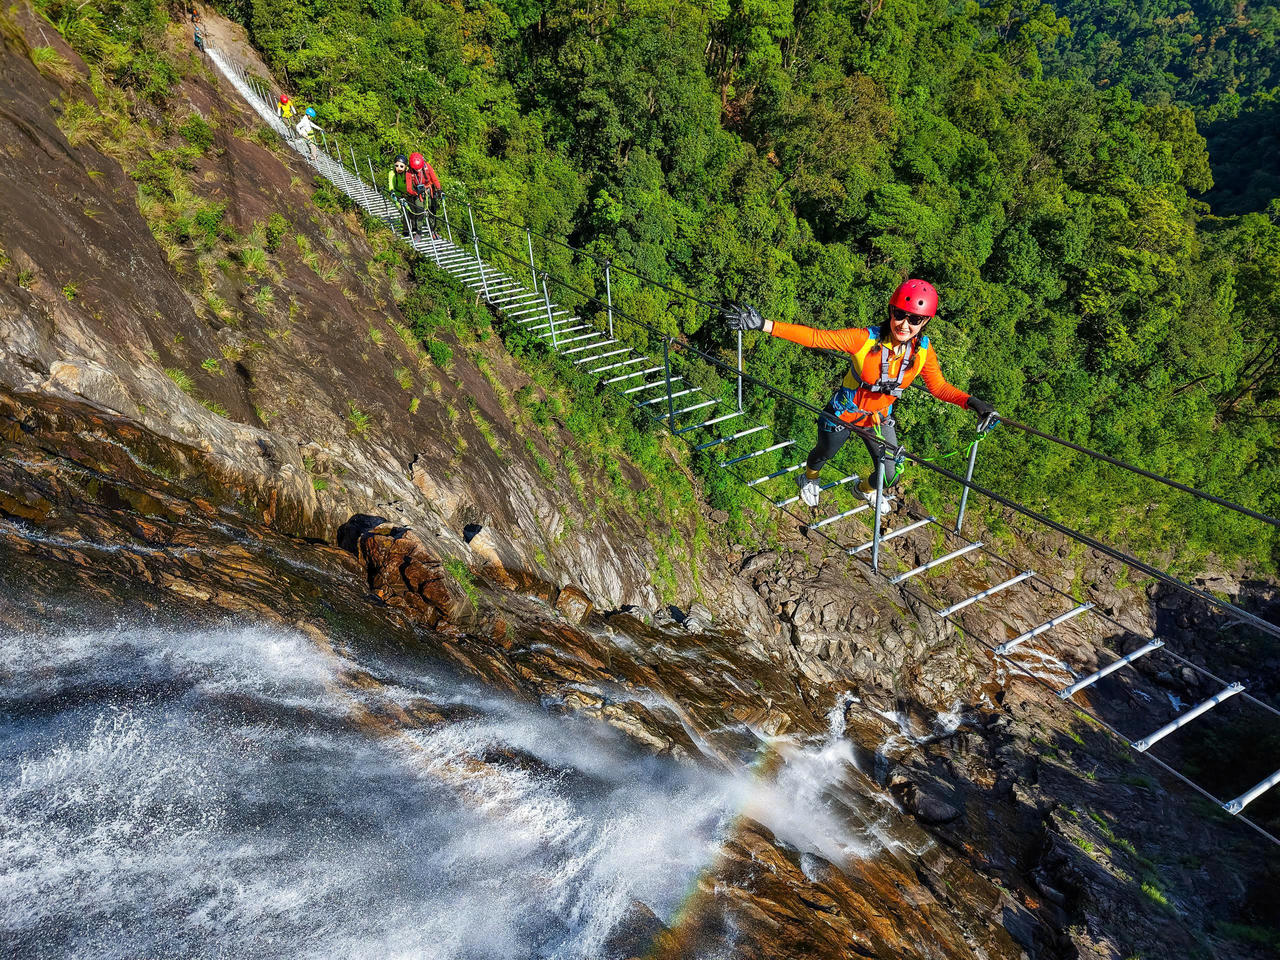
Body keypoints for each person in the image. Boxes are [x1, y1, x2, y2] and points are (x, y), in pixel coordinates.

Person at [722, 279, 998, 515]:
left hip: (877, 419)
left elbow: (939, 387)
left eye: (914, 319)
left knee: (889, 475)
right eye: (900, 315)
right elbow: (816, 338)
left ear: (925, 321)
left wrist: (976, 405)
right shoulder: (864, 340)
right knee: (824, 452)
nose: (904, 325)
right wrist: (763, 325)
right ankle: (808, 478)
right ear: (891, 311)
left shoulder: (922, 351)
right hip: (843, 412)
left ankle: (864, 490)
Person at [403, 152, 442, 239]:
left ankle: (432, 230)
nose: (418, 170)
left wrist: (439, 189)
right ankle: (419, 232)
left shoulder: (426, 166)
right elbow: (408, 188)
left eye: (419, 169)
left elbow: (434, 178)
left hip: (429, 190)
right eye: (416, 169)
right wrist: (415, 193)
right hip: (418, 193)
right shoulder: (409, 172)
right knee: (419, 211)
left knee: (432, 211)